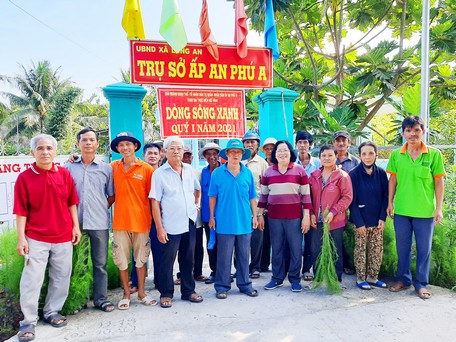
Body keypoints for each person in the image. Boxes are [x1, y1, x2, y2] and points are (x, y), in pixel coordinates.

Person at [14, 134, 81, 342]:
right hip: (36, 237)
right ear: (32, 152)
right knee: (32, 280)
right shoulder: (24, 178)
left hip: (63, 236)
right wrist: (21, 239)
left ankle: (52, 311)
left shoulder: (63, 174)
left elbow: (72, 202)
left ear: (55, 151)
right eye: (40, 148)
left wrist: (75, 227)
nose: (45, 152)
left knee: (61, 277)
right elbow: (21, 211)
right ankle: (28, 322)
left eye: (49, 148)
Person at [387, 116, 445, 300]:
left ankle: (420, 284)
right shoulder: (397, 155)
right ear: (403, 133)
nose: (412, 134)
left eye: (417, 130)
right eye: (409, 131)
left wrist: (439, 208)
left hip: (425, 211)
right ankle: (403, 280)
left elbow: (439, 182)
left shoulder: (434, 154)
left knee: (423, 249)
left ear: (423, 132)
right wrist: (390, 202)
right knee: (402, 248)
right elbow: (393, 180)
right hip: (402, 211)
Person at [65, 128, 115, 312]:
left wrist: (101, 207)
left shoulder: (105, 168)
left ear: (97, 144)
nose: (88, 143)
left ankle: (101, 299)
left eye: (91, 140)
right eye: (84, 140)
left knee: (100, 264)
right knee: (79, 264)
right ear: (78, 143)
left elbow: (111, 195)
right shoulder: (68, 167)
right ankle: (79, 300)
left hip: (99, 223)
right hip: (75, 224)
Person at [150, 136, 203, 308]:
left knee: (188, 258)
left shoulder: (189, 169)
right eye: (172, 148)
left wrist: (197, 205)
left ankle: (188, 291)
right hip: (170, 224)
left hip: (189, 221)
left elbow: (197, 189)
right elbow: (155, 202)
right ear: (164, 152)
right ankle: (166, 293)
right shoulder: (159, 174)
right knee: (167, 260)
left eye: (179, 148)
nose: (176, 151)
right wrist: (159, 227)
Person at [258, 140, 312, 292]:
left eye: (285, 150)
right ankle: (277, 278)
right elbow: (263, 196)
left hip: (294, 217)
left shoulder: (299, 170)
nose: (282, 153)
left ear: (291, 153)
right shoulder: (268, 172)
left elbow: (306, 195)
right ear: (275, 154)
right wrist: (260, 215)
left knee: (295, 249)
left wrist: (306, 216)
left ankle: (295, 279)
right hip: (274, 218)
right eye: (279, 151)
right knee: (277, 249)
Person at [110, 132, 156, 310]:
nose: (125, 148)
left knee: (141, 260)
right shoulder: (113, 166)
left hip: (141, 222)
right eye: (121, 145)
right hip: (120, 223)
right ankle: (126, 294)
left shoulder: (146, 169)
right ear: (117, 149)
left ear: (135, 146)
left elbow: (153, 198)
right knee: (121, 261)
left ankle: (142, 293)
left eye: (128, 144)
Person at [209, 138, 259, 299]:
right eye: (232, 152)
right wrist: (211, 217)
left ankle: (245, 284)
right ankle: (222, 286)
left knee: (244, 256)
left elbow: (252, 196)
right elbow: (212, 197)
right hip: (224, 222)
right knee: (224, 257)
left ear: (242, 154)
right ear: (227, 154)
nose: (235, 155)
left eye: (238, 152)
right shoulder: (217, 173)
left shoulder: (247, 173)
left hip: (244, 221)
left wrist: (255, 215)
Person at [309, 145, 353, 284]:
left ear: (335, 157)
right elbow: (308, 197)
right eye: (323, 156)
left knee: (335, 250)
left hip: (335, 221)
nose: (326, 158)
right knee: (316, 250)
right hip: (317, 220)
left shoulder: (342, 176)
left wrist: (333, 212)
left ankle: (336, 279)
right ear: (320, 158)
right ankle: (317, 278)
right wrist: (311, 214)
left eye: (330, 155)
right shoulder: (314, 175)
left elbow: (347, 197)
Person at [349, 141, 388, 290]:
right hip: (361, 221)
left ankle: (373, 277)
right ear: (359, 156)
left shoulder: (381, 174)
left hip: (377, 220)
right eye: (364, 153)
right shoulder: (353, 174)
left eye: (371, 153)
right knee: (360, 250)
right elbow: (351, 201)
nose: (367, 156)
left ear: (376, 155)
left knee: (376, 250)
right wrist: (359, 223)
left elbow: (386, 197)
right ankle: (360, 279)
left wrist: (382, 218)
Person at [130, 142, 162, 293]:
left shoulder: (164, 173)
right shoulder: (137, 172)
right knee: (138, 252)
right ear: (143, 156)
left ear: (161, 155)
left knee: (160, 251)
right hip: (140, 218)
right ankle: (136, 282)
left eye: (156, 153)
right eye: (150, 153)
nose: (153, 156)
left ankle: (160, 280)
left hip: (159, 220)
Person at [242, 131, 269, 279]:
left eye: (253, 142)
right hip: (240, 208)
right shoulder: (239, 161)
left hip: (257, 207)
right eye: (247, 142)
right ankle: (241, 267)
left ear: (258, 144)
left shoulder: (262, 163)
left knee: (256, 239)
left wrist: (261, 212)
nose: (250, 144)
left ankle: (255, 267)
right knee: (240, 239)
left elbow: (265, 189)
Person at [295, 131, 321, 281]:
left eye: (305, 142)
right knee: (296, 240)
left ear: (310, 144)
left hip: (312, 206)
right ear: (296, 144)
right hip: (295, 206)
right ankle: (293, 269)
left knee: (311, 240)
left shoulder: (317, 163)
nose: (303, 145)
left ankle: (307, 270)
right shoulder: (293, 162)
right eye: (300, 142)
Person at [333, 130, 359, 275]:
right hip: (334, 206)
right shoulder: (330, 160)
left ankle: (349, 264)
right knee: (337, 235)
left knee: (350, 234)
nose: (341, 143)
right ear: (333, 143)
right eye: (338, 140)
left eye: (344, 140)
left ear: (349, 143)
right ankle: (338, 265)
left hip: (352, 204)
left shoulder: (355, 161)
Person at [198, 142, 222, 284]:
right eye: (209, 154)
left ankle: (224, 271)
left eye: (214, 153)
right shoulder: (204, 172)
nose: (212, 157)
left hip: (224, 215)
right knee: (211, 244)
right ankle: (214, 271)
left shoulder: (225, 170)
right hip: (208, 216)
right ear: (205, 156)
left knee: (225, 244)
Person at [258, 137, 277, 272]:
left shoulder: (283, 163)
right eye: (267, 149)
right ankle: (263, 265)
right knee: (264, 238)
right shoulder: (260, 164)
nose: (270, 151)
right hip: (264, 206)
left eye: (272, 148)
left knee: (278, 238)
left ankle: (278, 265)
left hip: (279, 205)